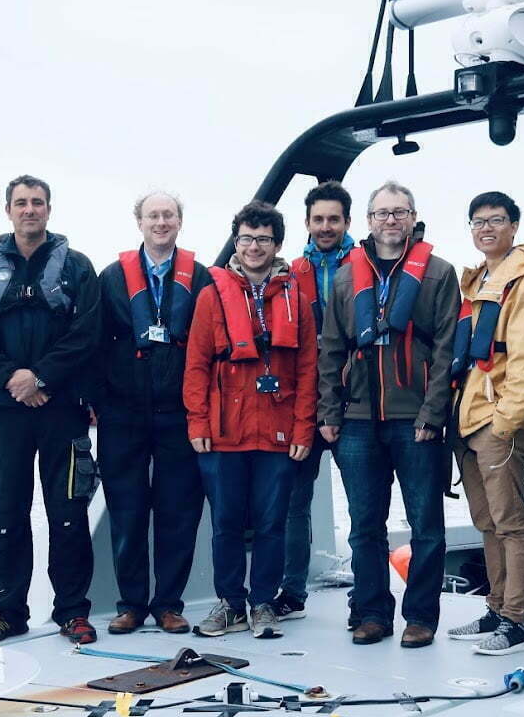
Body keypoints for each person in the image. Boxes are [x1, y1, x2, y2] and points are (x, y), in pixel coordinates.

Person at [0, 174, 102, 646]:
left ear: (49, 209)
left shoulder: (77, 269)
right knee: (8, 511)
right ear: (8, 211)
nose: (30, 210)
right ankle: (6, 611)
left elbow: (86, 334)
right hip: (6, 412)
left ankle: (72, 611)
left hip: (62, 410)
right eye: (21, 203)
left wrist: (39, 378)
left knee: (68, 512)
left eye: (37, 203)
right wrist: (13, 381)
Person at [317, 180, 460, 648]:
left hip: (414, 418)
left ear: (414, 218)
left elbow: (445, 351)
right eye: (382, 213)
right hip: (357, 420)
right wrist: (329, 412)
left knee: (426, 525)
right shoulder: (345, 277)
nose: (391, 220)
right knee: (364, 526)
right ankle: (373, 612)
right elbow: (331, 350)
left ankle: (420, 616)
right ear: (369, 220)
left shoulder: (438, 274)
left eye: (400, 212)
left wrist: (432, 414)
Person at [183, 200, 317, 639]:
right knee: (225, 522)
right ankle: (230, 604)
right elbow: (197, 363)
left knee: (272, 522)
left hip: (277, 431)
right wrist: (198, 422)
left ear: (277, 244)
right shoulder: (210, 295)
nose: (253, 247)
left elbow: (308, 367)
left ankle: (263, 602)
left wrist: (303, 428)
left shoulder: (297, 296)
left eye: (263, 239)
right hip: (224, 432)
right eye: (246, 238)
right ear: (235, 243)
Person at [92, 191, 212, 635]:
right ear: (139, 222)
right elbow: (95, 341)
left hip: (178, 413)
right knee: (126, 509)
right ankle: (131, 604)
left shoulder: (200, 279)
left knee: (178, 511)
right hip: (123, 414)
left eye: (169, 215)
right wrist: (103, 401)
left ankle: (168, 604)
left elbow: (210, 348)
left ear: (180, 221)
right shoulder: (110, 278)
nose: (161, 222)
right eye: (153, 215)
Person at [446, 191, 524, 656]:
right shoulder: (479, 280)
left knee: (511, 521)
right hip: (468, 416)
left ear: (514, 226)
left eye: (496, 220)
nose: (486, 228)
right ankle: (496, 606)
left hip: (496, 419)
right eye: (477, 222)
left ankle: (517, 620)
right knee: (486, 520)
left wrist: (508, 420)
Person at [274, 180, 355, 621]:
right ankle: (291, 592)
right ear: (307, 223)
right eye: (318, 219)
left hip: (355, 405)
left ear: (347, 222)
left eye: (334, 219)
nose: (326, 227)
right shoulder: (289, 275)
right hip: (302, 404)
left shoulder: (366, 266)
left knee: (364, 507)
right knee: (293, 505)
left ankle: (367, 601)